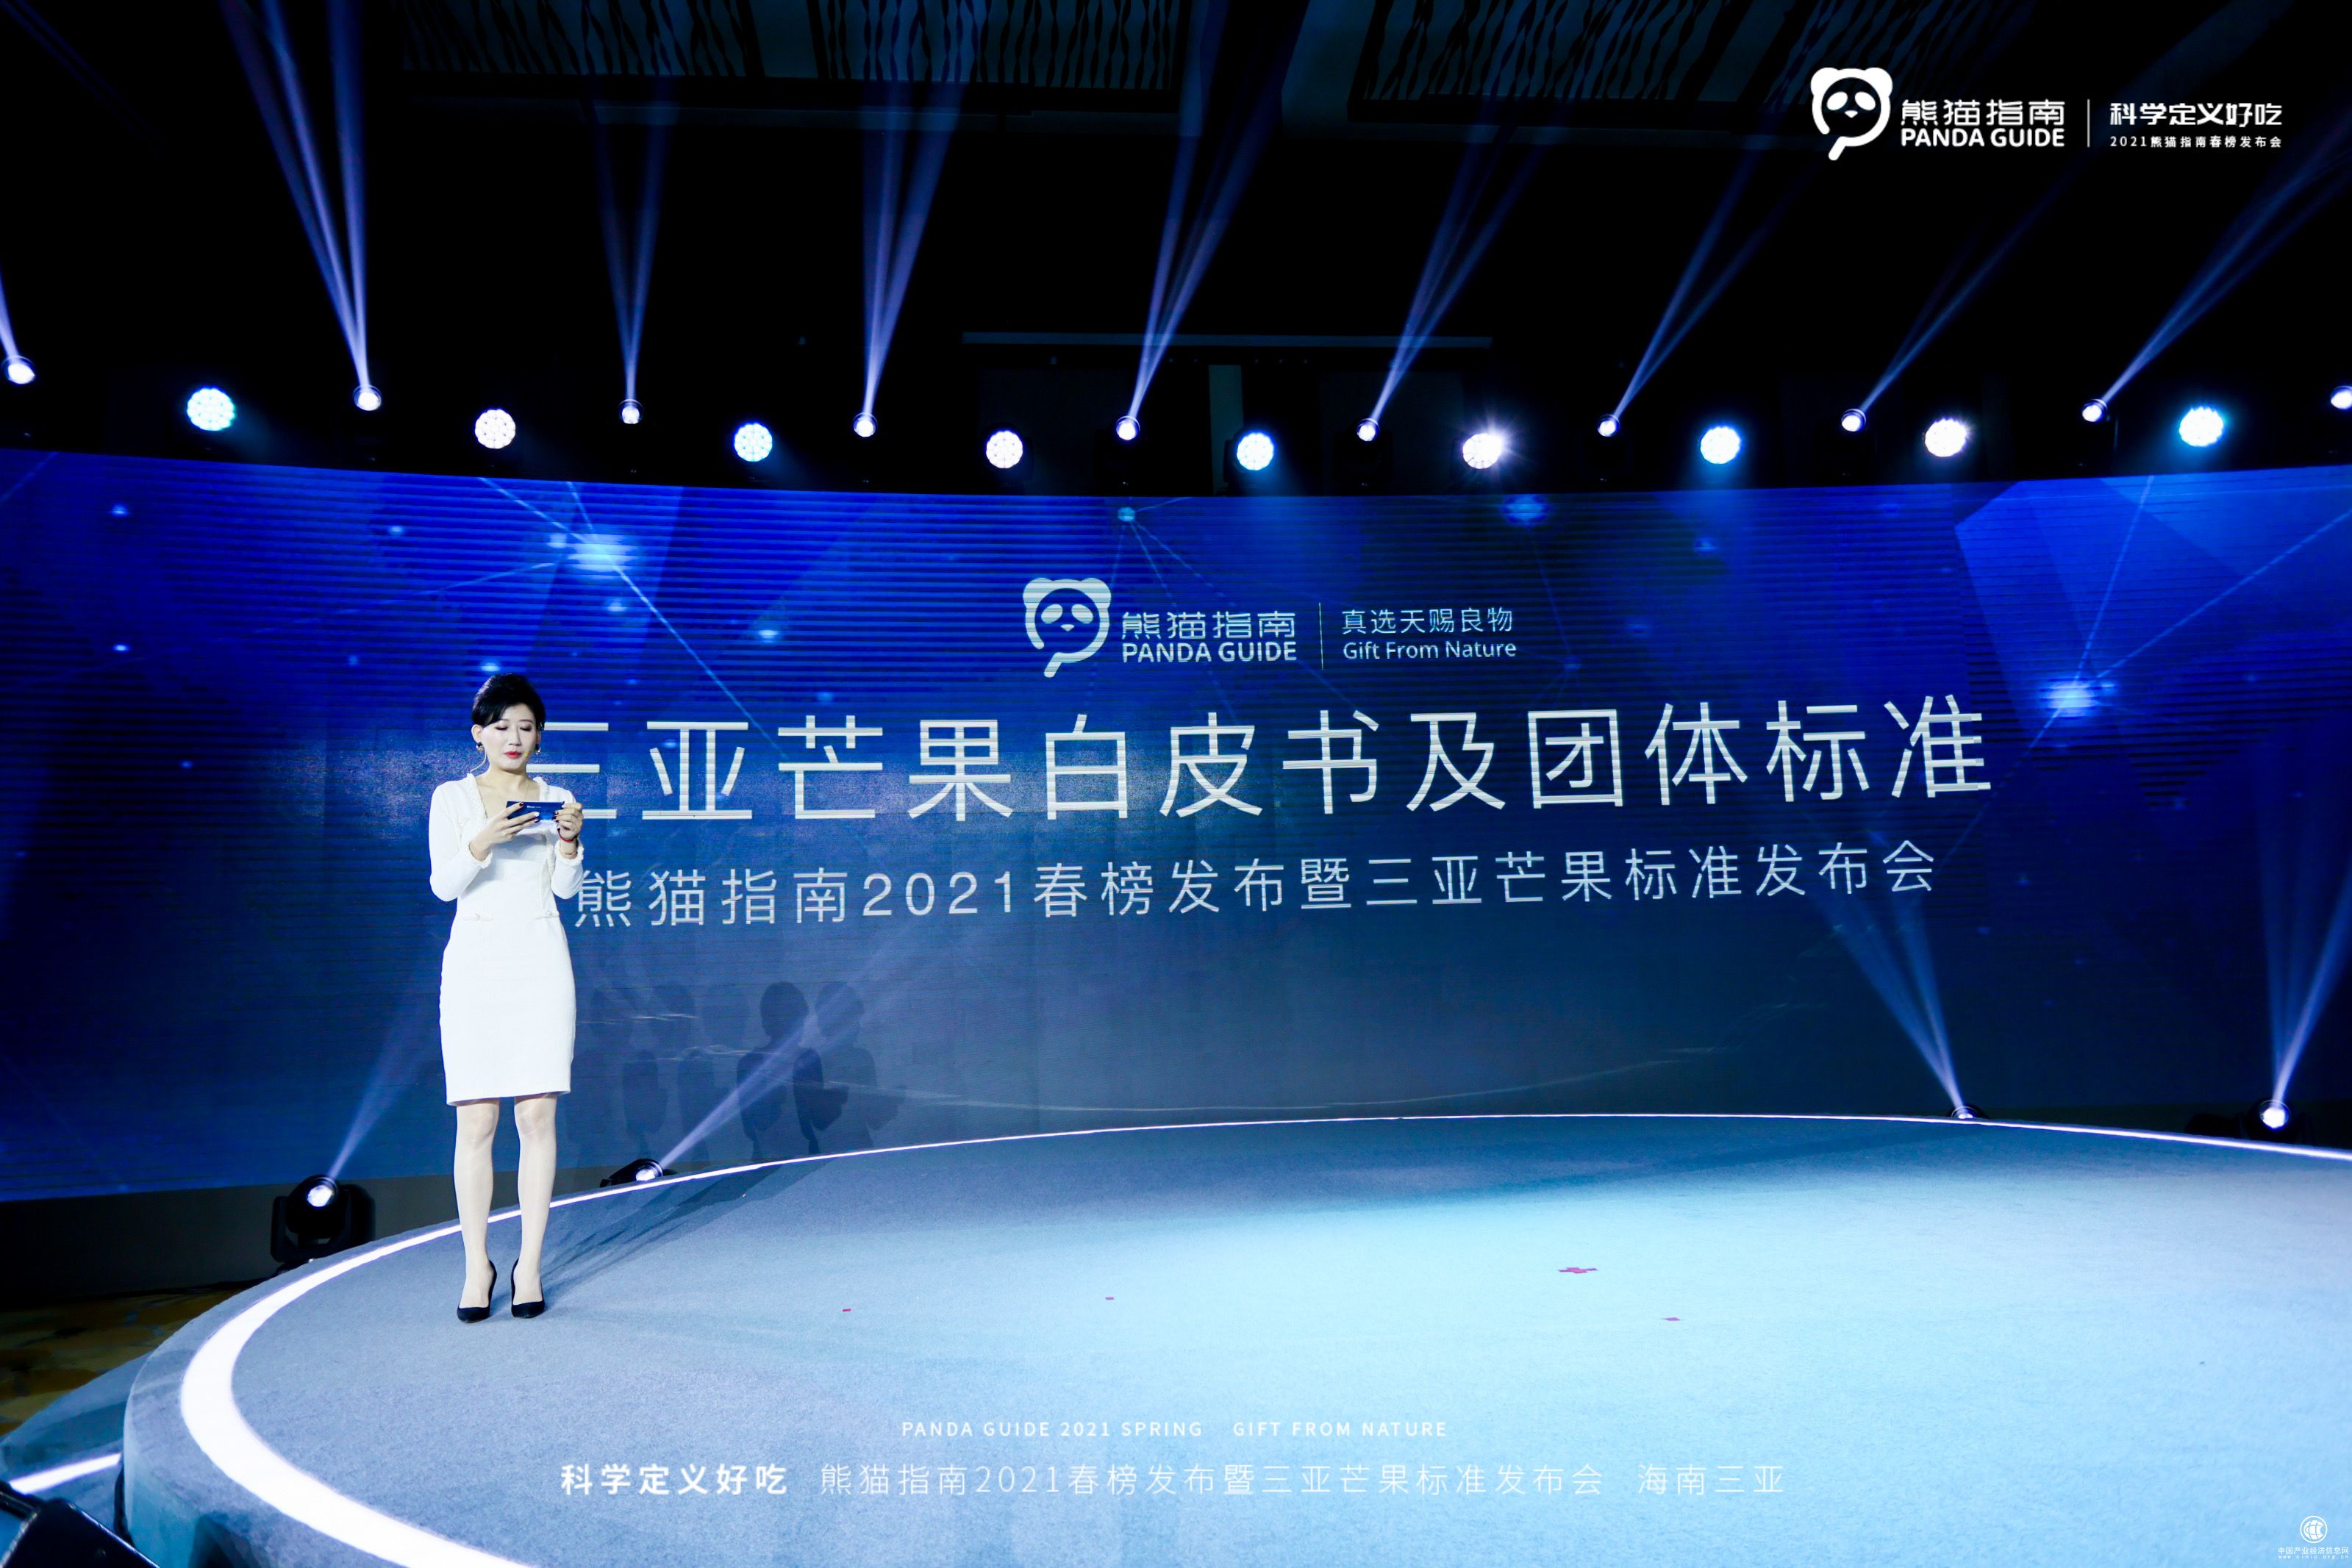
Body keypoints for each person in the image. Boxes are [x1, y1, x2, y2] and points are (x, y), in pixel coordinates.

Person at [426, 673, 587, 1321]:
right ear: (479, 734)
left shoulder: (557, 798)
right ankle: (477, 1266)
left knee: (537, 1118)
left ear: (539, 736)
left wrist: (569, 842)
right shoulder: (452, 797)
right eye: (501, 726)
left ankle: (529, 1265)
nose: (514, 738)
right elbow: (444, 885)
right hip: (476, 966)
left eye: (525, 727)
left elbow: (566, 889)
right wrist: (482, 841)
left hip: (541, 962)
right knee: (476, 1122)